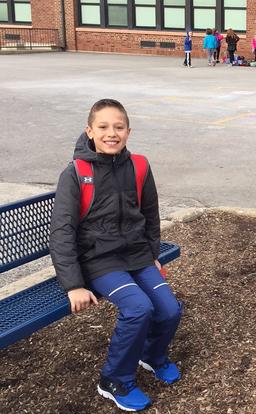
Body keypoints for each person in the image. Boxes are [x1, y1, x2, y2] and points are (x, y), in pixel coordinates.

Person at [49, 99, 182, 412]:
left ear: (128, 131)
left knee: (169, 309)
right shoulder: (76, 173)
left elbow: (150, 214)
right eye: (104, 127)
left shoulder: (139, 166)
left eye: (118, 127)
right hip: (99, 261)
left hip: (136, 255)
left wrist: (151, 253)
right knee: (139, 308)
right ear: (90, 131)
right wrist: (73, 285)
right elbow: (62, 232)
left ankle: (151, 355)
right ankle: (114, 380)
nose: (112, 133)